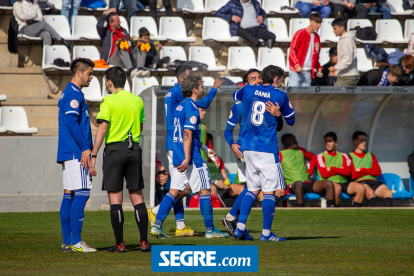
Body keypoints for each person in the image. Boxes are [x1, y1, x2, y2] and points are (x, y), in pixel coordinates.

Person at [150, 74, 230, 239]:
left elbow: (188, 134)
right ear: (194, 90)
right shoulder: (192, 108)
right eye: (202, 85)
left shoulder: (181, 106)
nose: (203, 88)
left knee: (173, 191)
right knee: (205, 190)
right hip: (191, 158)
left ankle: (157, 226)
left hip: (179, 154)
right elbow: (187, 133)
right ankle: (210, 230)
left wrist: (205, 147)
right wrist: (188, 157)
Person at [88, 66, 151, 252]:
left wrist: (93, 154)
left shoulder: (108, 100)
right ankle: (143, 241)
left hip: (115, 150)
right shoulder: (137, 100)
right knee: (137, 196)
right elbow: (140, 126)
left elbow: (102, 129)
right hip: (134, 149)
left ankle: (120, 244)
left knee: (115, 198)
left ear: (108, 81)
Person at [232, 65, 295, 242]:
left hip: (249, 148)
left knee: (252, 189)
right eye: (281, 80)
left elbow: (235, 96)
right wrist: (278, 113)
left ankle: (240, 228)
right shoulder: (280, 95)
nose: (281, 83)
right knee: (269, 192)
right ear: (275, 80)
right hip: (267, 149)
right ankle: (266, 234)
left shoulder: (249, 90)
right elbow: (291, 120)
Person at [221, 67, 284, 235]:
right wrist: (232, 144)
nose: (257, 80)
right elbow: (227, 130)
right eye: (252, 79)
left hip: (254, 149)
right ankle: (231, 218)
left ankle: (234, 220)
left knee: (251, 188)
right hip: (245, 149)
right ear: (247, 83)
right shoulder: (240, 105)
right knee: (252, 189)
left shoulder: (264, 99)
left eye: (259, 77)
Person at [57, 58, 96, 253]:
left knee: (69, 194)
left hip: (68, 151)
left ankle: (67, 242)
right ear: (78, 73)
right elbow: (72, 123)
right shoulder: (74, 95)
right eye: (89, 73)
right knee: (82, 192)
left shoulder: (68, 93)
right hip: (75, 152)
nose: (91, 77)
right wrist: (84, 148)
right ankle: (77, 241)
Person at [280, 134, 336, 207]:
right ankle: (301, 209)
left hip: (307, 182)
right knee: (299, 184)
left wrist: (310, 172)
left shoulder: (301, 150)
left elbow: (313, 157)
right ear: (287, 141)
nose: (296, 141)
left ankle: (331, 209)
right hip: (293, 185)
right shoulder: (280, 154)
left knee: (329, 183)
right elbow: (276, 169)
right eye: (294, 139)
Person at [316, 132, 366, 207]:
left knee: (361, 188)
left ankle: (355, 212)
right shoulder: (320, 156)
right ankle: (335, 212)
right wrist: (340, 169)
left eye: (330, 141)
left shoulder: (344, 155)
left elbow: (347, 172)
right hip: (329, 184)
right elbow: (324, 174)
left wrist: (332, 168)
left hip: (343, 182)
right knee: (337, 188)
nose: (328, 143)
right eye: (326, 141)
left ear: (336, 143)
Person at [97, 8, 149, 77]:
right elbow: (99, 25)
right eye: (117, 21)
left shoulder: (123, 31)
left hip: (128, 59)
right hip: (114, 60)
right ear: (111, 23)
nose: (120, 22)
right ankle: (131, 71)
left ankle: (140, 69)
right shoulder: (106, 32)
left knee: (143, 44)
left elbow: (130, 42)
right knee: (122, 44)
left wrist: (137, 44)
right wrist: (106, 13)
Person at [349, 131, 393, 207]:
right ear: (355, 141)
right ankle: (377, 215)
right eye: (361, 140)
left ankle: (388, 216)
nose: (364, 142)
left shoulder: (371, 156)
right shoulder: (349, 156)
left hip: (373, 182)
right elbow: (353, 175)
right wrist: (370, 171)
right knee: (370, 193)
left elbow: (378, 172)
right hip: (360, 182)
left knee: (388, 193)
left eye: (365, 140)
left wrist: (362, 170)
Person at [288, 13, 323, 87]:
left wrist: (319, 68)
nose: (319, 25)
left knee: (305, 97)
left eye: (320, 23)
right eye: (317, 23)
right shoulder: (300, 33)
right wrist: (297, 65)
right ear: (311, 22)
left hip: (308, 71)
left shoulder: (317, 37)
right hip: (296, 71)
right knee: (292, 95)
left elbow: (316, 56)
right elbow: (292, 51)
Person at [329, 18, 359, 87]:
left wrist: (335, 67)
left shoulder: (346, 40)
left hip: (347, 77)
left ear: (342, 28)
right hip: (346, 75)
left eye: (335, 28)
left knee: (337, 97)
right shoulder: (345, 39)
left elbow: (348, 59)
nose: (333, 31)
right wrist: (338, 72)